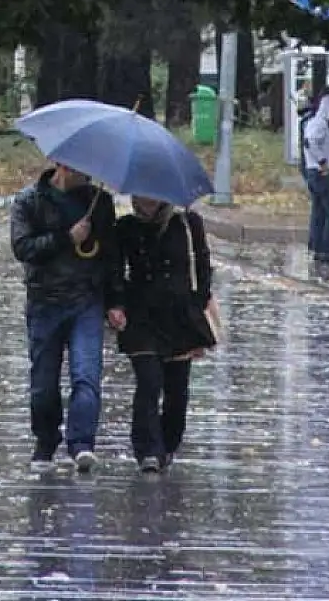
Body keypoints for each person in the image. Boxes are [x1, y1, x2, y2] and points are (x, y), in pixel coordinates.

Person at [10, 163, 126, 474]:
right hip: (44, 302)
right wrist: (66, 238)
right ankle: (46, 442)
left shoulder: (98, 202)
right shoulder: (29, 201)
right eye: (79, 168)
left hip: (86, 301)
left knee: (86, 374)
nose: (87, 173)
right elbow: (23, 248)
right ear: (62, 165)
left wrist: (115, 301)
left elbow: (111, 255)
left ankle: (82, 443)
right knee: (44, 384)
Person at [112, 196, 215, 473]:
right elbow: (114, 270)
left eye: (151, 196)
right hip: (141, 317)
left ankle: (168, 445)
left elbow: (203, 265)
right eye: (140, 196)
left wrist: (199, 301)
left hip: (179, 316)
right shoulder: (125, 228)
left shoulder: (187, 223)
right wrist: (116, 304)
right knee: (149, 381)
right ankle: (147, 449)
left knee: (177, 389)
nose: (145, 202)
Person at [303, 93, 329, 262]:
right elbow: (311, 142)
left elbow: (320, 143)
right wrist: (323, 163)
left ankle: (318, 247)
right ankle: (327, 248)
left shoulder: (318, 124)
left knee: (320, 212)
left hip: (315, 173)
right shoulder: (319, 124)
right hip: (321, 174)